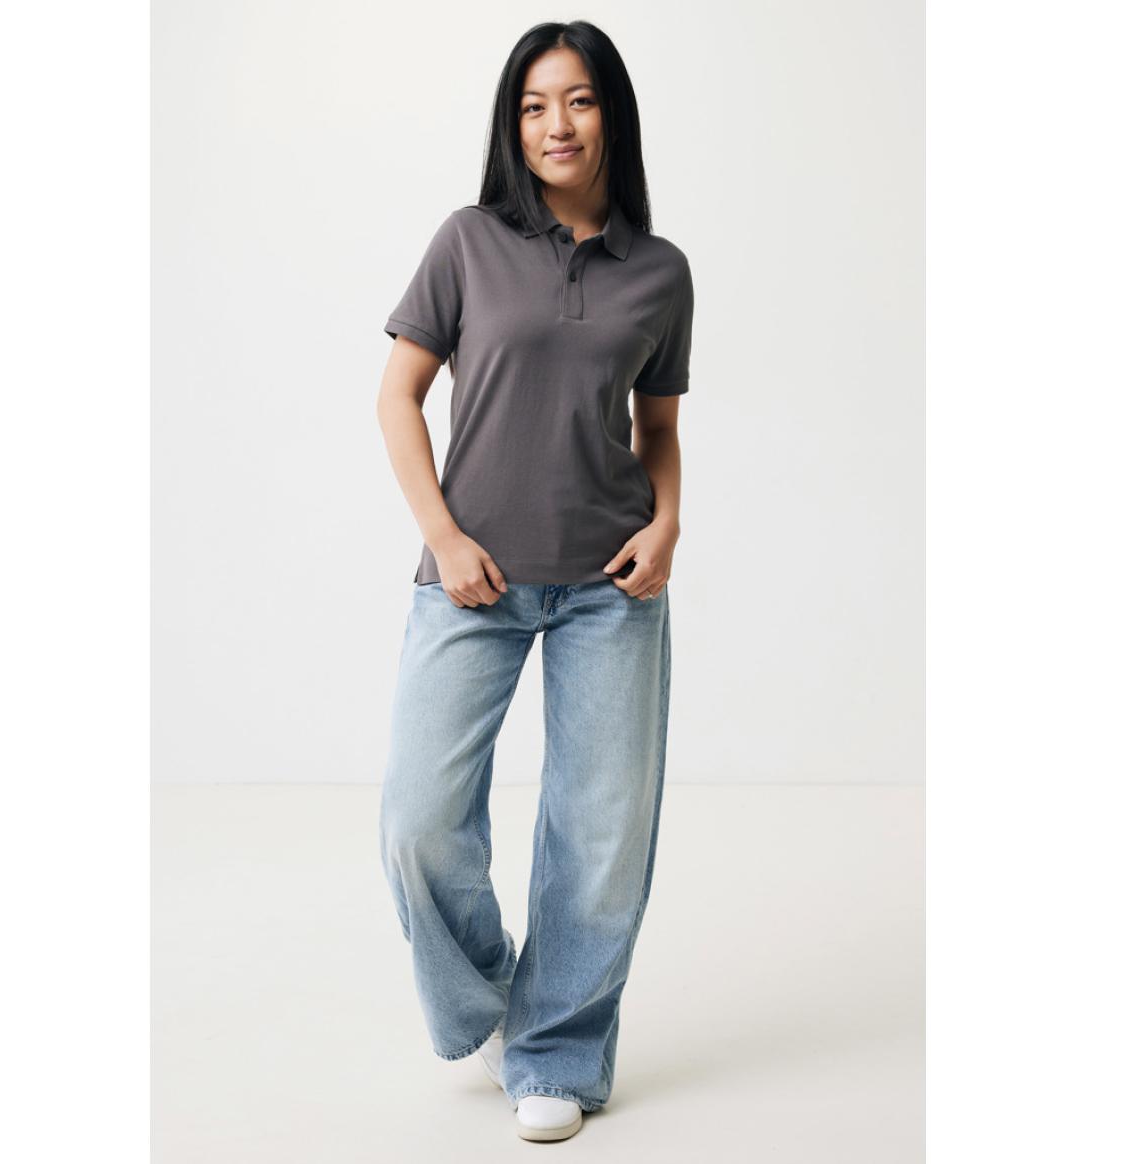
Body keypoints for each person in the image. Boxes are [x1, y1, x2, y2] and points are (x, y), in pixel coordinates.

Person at [376, 19, 694, 1143]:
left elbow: (658, 430)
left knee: (601, 837)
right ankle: (495, 1001)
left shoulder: (660, 270)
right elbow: (398, 396)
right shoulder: (468, 241)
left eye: (579, 100)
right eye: (533, 104)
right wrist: (445, 535)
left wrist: (667, 524)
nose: (556, 124)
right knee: (419, 822)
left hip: (613, 585)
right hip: (472, 577)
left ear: (613, 115)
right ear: (513, 124)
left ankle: (556, 1051)